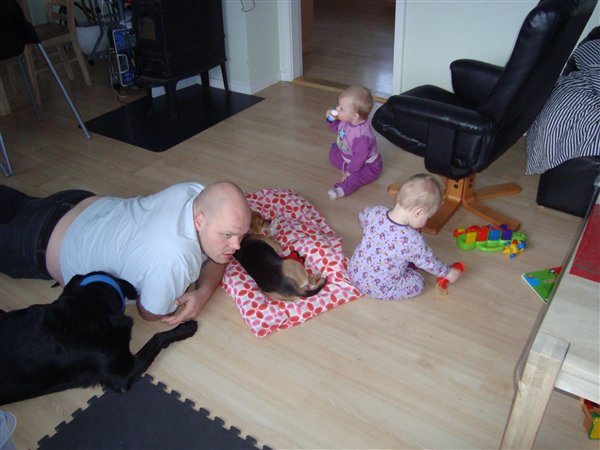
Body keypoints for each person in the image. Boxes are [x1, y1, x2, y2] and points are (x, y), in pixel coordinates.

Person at [0, 181, 251, 325]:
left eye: (241, 235)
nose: (237, 246)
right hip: (38, 242)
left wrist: (204, 291)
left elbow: (218, 254)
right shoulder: (173, 259)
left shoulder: (198, 192)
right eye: (228, 235)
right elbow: (150, 313)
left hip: (75, 202)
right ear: (199, 221)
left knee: (15, 203)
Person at [348, 174, 462, 300]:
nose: (426, 221)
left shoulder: (376, 212)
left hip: (354, 272)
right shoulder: (412, 240)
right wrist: (447, 272)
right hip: (378, 288)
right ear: (418, 212)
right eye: (427, 217)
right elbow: (429, 262)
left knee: (400, 255)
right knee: (418, 283)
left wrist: (375, 234)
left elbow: (362, 215)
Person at [324, 85, 382, 200]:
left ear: (355, 116)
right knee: (333, 157)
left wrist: (350, 172)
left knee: (355, 178)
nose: (337, 108)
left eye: (341, 109)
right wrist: (330, 118)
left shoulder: (362, 137)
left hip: (367, 165)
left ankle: (340, 190)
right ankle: (341, 154)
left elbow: (359, 158)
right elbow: (335, 128)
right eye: (338, 106)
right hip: (348, 156)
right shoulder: (347, 120)